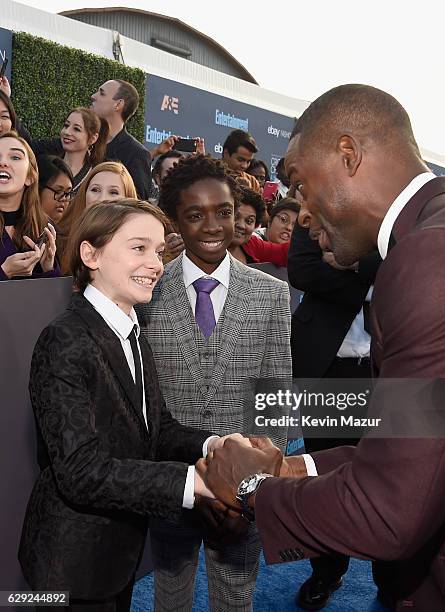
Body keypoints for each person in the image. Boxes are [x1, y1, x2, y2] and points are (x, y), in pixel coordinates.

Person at [198, 84, 445, 611]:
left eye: (300, 184)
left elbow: (390, 510)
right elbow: (435, 434)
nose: (300, 213)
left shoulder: (436, 253)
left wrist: (249, 491)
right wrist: (289, 469)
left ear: (348, 155)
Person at [18, 198, 247, 612]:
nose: (157, 264)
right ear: (91, 254)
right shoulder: (64, 340)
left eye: (159, 251)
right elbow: (80, 473)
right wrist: (193, 482)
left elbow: (155, 427)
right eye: (139, 248)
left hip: (116, 554)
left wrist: (213, 445)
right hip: (70, 565)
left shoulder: (132, 331)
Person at [136, 154, 292, 612]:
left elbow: (277, 399)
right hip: (171, 480)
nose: (212, 225)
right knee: (170, 595)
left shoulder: (270, 293)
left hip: (243, 490)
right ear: (174, 221)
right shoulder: (147, 291)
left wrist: (250, 487)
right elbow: (144, 399)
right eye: (195, 214)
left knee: (235, 599)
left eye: (223, 212)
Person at [289, 204, 382, 610]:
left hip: (383, 371)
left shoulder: (389, 216)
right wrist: (370, 278)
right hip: (326, 369)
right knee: (322, 472)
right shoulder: (314, 208)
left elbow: (400, 275)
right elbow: (303, 271)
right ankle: (326, 571)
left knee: (386, 476)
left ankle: (391, 578)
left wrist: (347, 266)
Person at [0, 131, 58, 281]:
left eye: (15, 157)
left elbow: (54, 300)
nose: (3, 163)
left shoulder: (44, 227)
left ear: (30, 177)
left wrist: (48, 267)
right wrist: (4, 272)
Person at [57, 161, 136, 268]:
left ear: (128, 198)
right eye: (95, 190)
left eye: (113, 192)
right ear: (84, 194)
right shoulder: (59, 241)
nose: (102, 199)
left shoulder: (136, 247)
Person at [91, 79, 151, 199]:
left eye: (102, 93)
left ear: (118, 104)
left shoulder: (136, 154)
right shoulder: (84, 141)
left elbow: (137, 203)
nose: (93, 96)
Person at [228, 186, 266, 264]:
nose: (241, 225)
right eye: (235, 217)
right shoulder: (203, 249)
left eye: (249, 221)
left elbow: (284, 252)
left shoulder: (252, 245)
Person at [37, 155, 74, 223]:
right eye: (58, 192)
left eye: (67, 193)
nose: (63, 199)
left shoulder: (72, 231)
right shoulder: (15, 229)